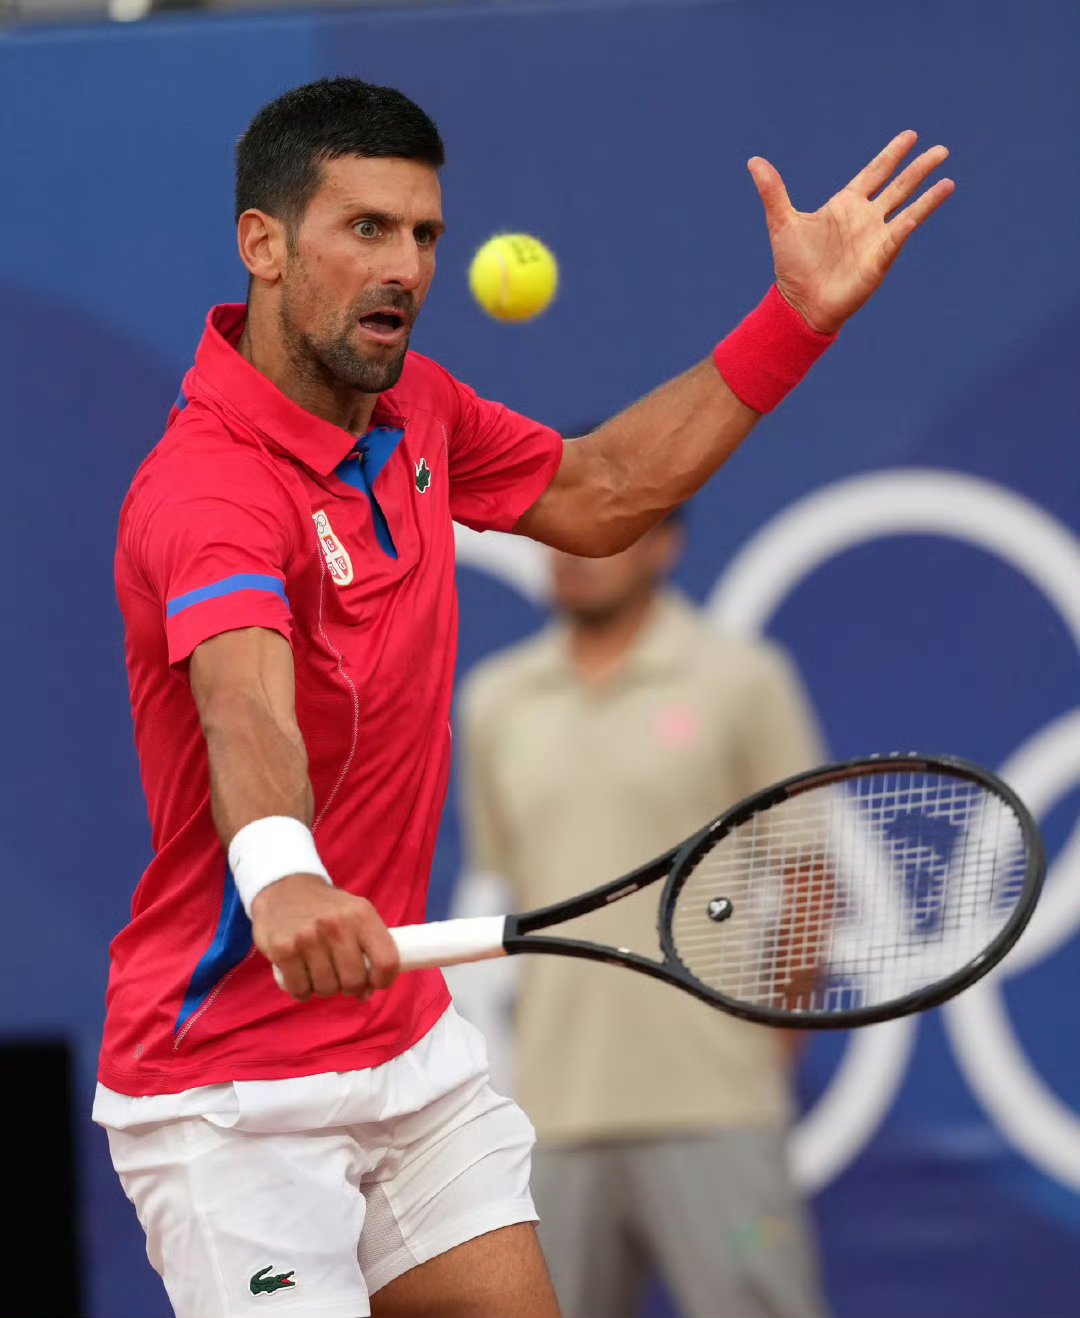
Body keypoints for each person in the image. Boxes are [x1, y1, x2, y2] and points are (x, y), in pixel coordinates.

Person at [92, 75, 952, 1318]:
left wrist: (796, 320)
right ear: (263, 245)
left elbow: (605, 494)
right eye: (365, 228)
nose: (405, 267)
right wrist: (283, 875)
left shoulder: (418, 411)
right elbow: (245, 703)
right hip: (231, 1092)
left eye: (423, 233)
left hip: (405, 1047)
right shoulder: (207, 488)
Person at [453, 510, 828, 1318]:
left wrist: (761, 1047)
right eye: (555, 534)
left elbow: (806, 877)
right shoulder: (493, 700)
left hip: (717, 1104)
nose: (574, 552)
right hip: (553, 1109)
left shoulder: (742, 679)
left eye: (605, 529)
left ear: (668, 543)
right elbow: (512, 879)